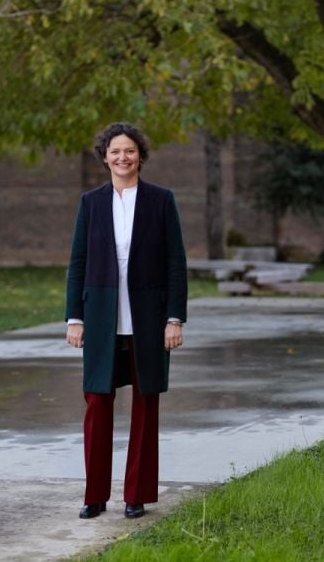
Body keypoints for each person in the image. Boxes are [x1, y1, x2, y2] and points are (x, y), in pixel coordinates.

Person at [65, 122, 187, 519]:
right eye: (115, 151)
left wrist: (174, 319)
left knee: (145, 403)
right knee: (97, 401)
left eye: (130, 151)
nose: (123, 157)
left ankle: (136, 494)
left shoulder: (161, 200)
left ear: (140, 156)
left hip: (148, 318)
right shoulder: (91, 202)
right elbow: (77, 264)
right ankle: (95, 495)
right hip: (101, 316)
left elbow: (176, 264)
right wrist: (74, 318)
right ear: (105, 157)